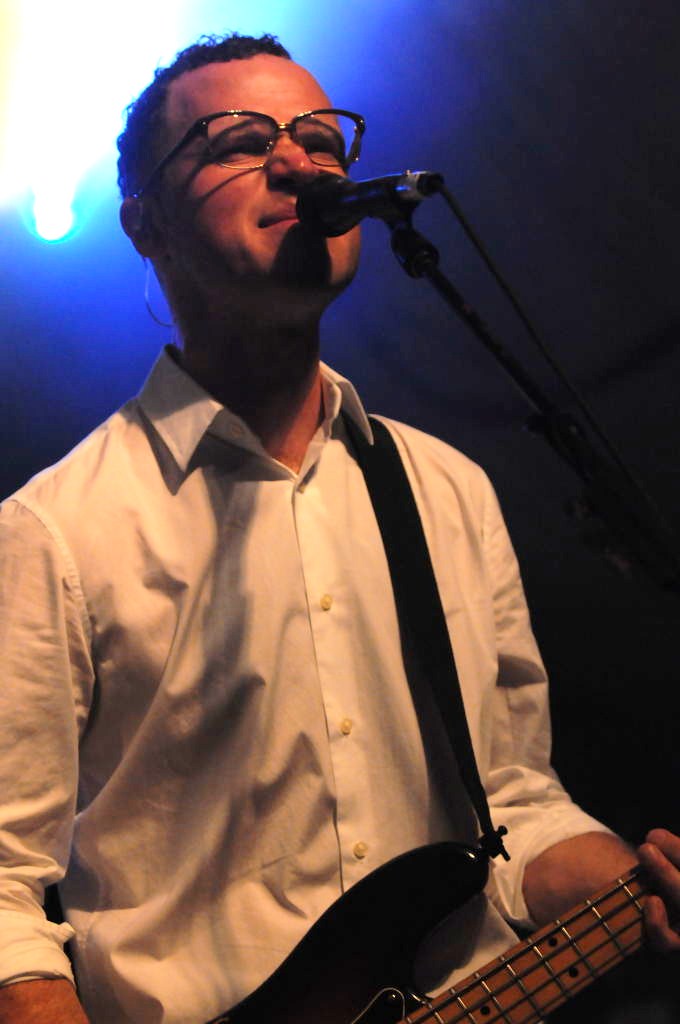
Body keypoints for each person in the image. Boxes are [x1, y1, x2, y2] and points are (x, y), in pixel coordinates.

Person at [0, 32, 679, 1024]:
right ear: (145, 222)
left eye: (320, 139)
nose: (299, 162)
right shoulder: (52, 531)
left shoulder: (445, 488)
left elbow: (514, 801)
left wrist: (631, 892)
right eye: (240, 141)